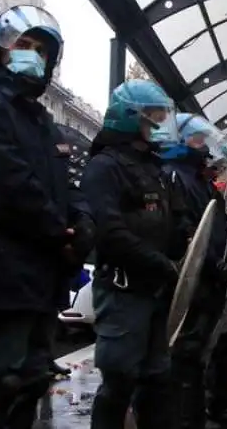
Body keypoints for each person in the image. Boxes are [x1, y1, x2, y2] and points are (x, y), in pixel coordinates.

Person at [0, 5, 96, 428]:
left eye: (41, 50)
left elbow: (65, 184)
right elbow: (7, 186)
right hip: (2, 275)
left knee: (29, 382)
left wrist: (82, 220)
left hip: (39, 278)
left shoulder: (37, 117)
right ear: (0, 46)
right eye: (23, 45)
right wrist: (61, 233)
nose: (32, 55)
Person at [80, 79, 182, 429]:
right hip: (123, 292)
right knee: (119, 381)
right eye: (152, 116)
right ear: (129, 117)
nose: (157, 124)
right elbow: (109, 233)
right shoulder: (105, 167)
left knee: (156, 379)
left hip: (154, 291)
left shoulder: (152, 168)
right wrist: (158, 262)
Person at [163, 113, 227, 429]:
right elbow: (188, 232)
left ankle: (212, 407)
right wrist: (216, 261)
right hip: (195, 284)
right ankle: (190, 418)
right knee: (188, 355)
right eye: (199, 138)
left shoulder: (201, 182)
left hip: (211, 281)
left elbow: (217, 226)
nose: (206, 145)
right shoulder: (176, 177)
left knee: (211, 346)